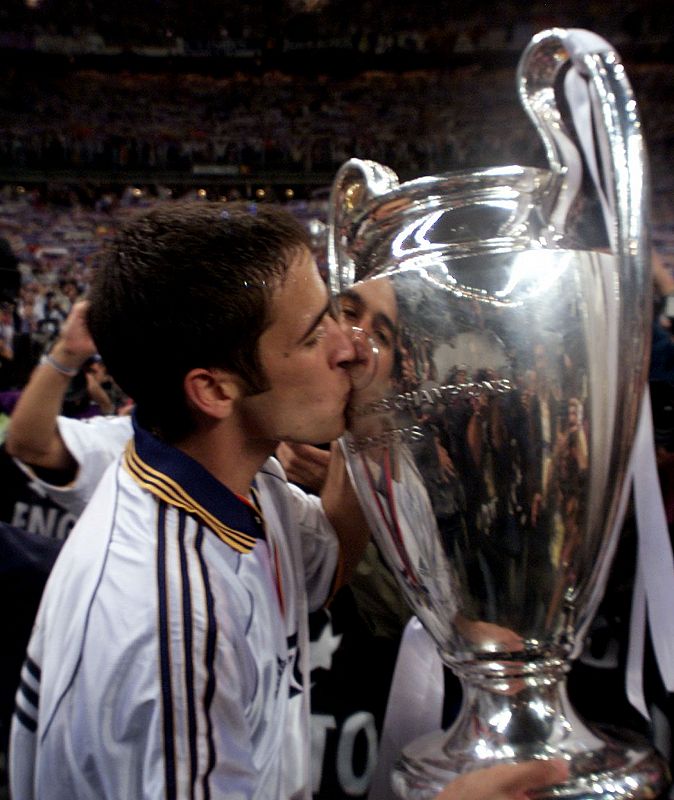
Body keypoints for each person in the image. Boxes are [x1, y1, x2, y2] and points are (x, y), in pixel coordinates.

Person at [7, 202, 567, 800]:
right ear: (216, 389)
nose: (347, 349)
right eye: (313, 334)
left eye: (335, 314)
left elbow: (328, 566)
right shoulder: (171, 623)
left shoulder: (239, 478)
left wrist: (367, 426)